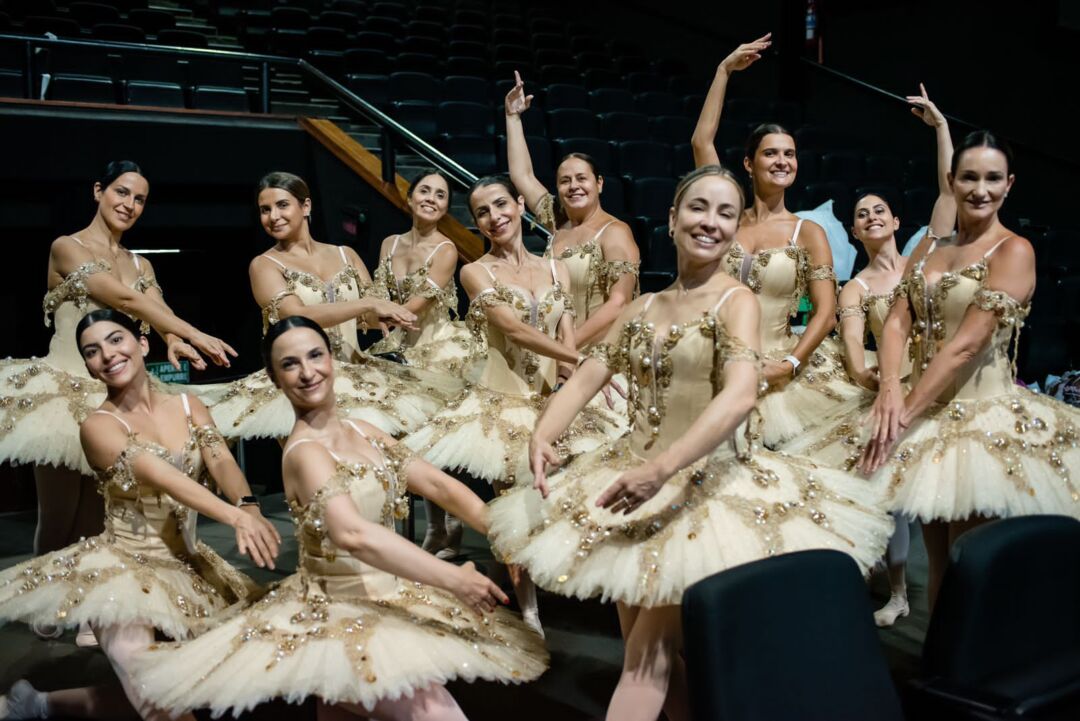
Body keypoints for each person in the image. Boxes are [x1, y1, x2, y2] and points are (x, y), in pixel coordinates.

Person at [488, 166, 892, 721]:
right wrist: (542, 433)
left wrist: (664, 469)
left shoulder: (736, 302)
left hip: (702, 489)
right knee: (653, 653)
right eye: (699, 208)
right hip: (629, 482)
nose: (712, 223)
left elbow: (739, 397)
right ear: (672, 219)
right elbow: (588, 375)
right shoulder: (643, 307)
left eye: (727, 213)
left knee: (644, 662)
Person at [131, 316, 547, 721]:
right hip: (341, 614)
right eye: (290, 364)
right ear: (275, 379)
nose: (307, 372)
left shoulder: (364, 431)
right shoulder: (304, 453)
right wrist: (453, 577)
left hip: (389, 596)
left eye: (315, 356)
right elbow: (352, 534)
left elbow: (439, 487)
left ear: (332, 360)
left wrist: (504, 535)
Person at [0, 309, 279, 721]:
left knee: (194, 688)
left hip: (188, 565)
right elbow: (159, 473)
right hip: (123, 573)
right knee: (157, 704)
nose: (107, 355)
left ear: (143, 344)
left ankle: (39, 704)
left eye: (116, 340)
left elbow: (220, 460)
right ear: (89, 368)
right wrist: (233, 518)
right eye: (92, 351)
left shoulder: (188, 404)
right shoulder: (98, 426)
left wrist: (248, 505)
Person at [0, 161, 236, 640]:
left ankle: (92, 608)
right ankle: (48, 598)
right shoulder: (67, 247)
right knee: (59, 515)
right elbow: (123, 302)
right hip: (62, 393)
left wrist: (172, 338)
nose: (129, 205)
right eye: (121, 193)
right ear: (98, 191)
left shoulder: (141, 264)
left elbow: (155, 310)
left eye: (139, 199)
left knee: (103, 512)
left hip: (118, 397)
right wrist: (189, 330)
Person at [859, 130, 1080, 611]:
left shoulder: (1014, 250)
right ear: (951, 181)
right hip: (927, 416)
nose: (981, 189)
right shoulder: (929, 246)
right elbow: (897, 318)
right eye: (970, 177)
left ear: (1009, 184)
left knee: (969, 563)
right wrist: (890, 388)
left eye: (993, 179)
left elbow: (967, 345)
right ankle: (940, 668)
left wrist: (901, 417)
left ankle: (973, 669)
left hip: (982, 422)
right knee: (940, 565)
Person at [404, 176, 626, 632]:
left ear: (520, 204)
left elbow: (565, 326)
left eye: (501, 204)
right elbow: (518, 330)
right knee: (511, 506)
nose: (495, 217)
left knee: (578, 487)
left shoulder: (556, 268)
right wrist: (586, 360)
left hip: (551, 401)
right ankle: (528, 609)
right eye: (483, 212)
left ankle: (579, 583)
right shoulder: (475, 272)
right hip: (501, 403)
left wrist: (577, 379)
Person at [785, 85, 956, 626]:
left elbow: (949, 194)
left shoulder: (925, 259)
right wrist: (883, 380)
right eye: (863, 214)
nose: (872, 216)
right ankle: (900, 592)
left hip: (939, 388)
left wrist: (942, 130)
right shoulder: (855, 288)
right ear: (855, 231)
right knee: (893, 496)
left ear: (897, 222)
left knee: (945, 505)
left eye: (880, 209)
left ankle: (957, 601)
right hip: (890, 393)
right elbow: (856, 357)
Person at [692, 35, 864, 448]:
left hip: (782, 368)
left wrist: (789, 363)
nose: (782, 161)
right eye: (771, 154)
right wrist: (723, 71)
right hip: (718, 361)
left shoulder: (806, 232)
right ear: (749, 164)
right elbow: (702, 142)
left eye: (789, 154)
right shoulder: (727, 216)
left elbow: (825, 313)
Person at [209, 171, 462, 441]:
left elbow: (375, 317)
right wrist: (367, 304)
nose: (273, 216)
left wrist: (404, 317)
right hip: (306, 383)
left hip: (359, 375)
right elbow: (298, 315)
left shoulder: (345, 254)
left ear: (305, 206)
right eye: (265, 210)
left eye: (282, 205)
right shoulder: (264, 265)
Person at [367, 170, 481, 554]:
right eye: (425, 191)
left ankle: (448, 520)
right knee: (403, 444)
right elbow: (376, 294)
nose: (432, 198)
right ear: (410, 197)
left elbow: (414, 307)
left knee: (435, 445)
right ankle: (432, 524)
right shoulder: (389, 243)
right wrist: (377, 319)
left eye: (441, 195)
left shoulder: (446, 249)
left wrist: (379, 315)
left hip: (439, 351)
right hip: (398, 349)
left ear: (447, 206)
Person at [504, 71, 641, 351]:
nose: (573, 186)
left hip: (597, 352)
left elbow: (619, 304)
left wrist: (564, 349)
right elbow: (523, 175)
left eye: (582, 178)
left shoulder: (615, 233)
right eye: (565, 181)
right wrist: (513, 118)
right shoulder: (557, 220)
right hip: (555, 347)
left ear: (599, 183)